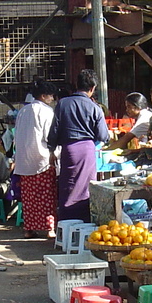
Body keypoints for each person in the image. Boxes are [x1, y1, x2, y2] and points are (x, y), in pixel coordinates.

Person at [47, 69, 109, 222]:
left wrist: (51, 151)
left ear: (77, 85)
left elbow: (54, 130)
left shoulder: (63, 104)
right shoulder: (95, 107)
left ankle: (66, 223)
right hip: (87, 151)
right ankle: (84, 222)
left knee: (68, 185)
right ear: (93, 88)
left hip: (69, 150)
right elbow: (103, 135)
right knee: (86, 187)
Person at [15, 79, 57, 239]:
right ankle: (49, 229)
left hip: (24, 161)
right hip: (43, 160)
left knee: (29, 198)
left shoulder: (23, 111)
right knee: (46, 196)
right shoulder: (47, 112)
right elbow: (50, 136)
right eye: (51, 95)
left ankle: (29, 228)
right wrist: (55, 153)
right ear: (44, 95)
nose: (52, 98)